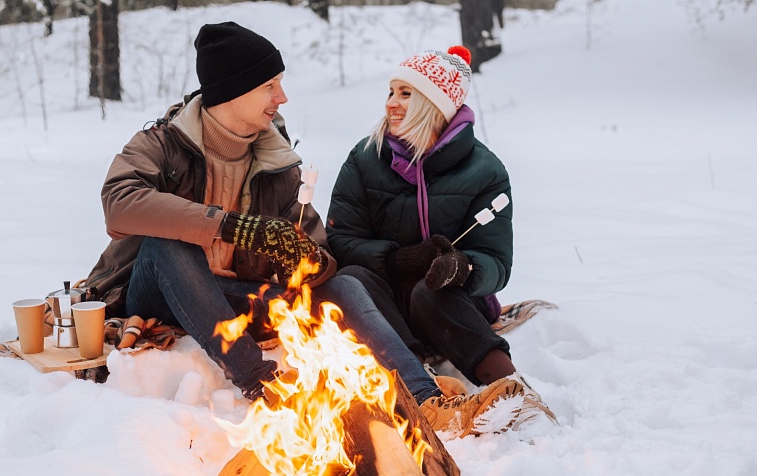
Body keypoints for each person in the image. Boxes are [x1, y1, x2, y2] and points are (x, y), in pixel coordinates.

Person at [82, 23, 526, 437]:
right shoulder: (161, 144)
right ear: (233, 92)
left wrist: (309, 259)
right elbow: (119, 204)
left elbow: (323, 252)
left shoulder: (275, 162)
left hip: (238, 298)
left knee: (346, 286)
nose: (283, 97)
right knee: (168, 245)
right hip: (160, 294)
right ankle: (262, 383)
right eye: (270, 86)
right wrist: (234, 228)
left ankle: (424, 400)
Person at [326, 45, 556, 426]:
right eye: (390, 92)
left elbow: (496, 261)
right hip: (385, 316)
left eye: (406, 94)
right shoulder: (366, 157)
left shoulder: (484, 170)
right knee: (350, 280)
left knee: (428, 290)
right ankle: (422, 382)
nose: (391, 104)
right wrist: (397, 260)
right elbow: (342, 240)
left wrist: (462, 268)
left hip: (449, 309)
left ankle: (512, 387)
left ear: (436, 105)